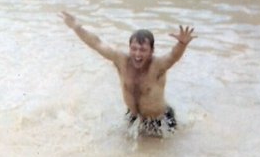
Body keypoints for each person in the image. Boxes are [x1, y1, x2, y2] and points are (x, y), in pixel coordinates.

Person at [60, 11, 197, 138]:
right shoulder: (121, 60)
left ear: (152, 51)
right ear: (129, 48)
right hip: (134, 117)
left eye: (143, 50)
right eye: (134, 49)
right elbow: (97, 43)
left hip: (160, 121)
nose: (137, 54)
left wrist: (182, 44)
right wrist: (77, 27)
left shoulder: (157, 66)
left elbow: (173, 56)